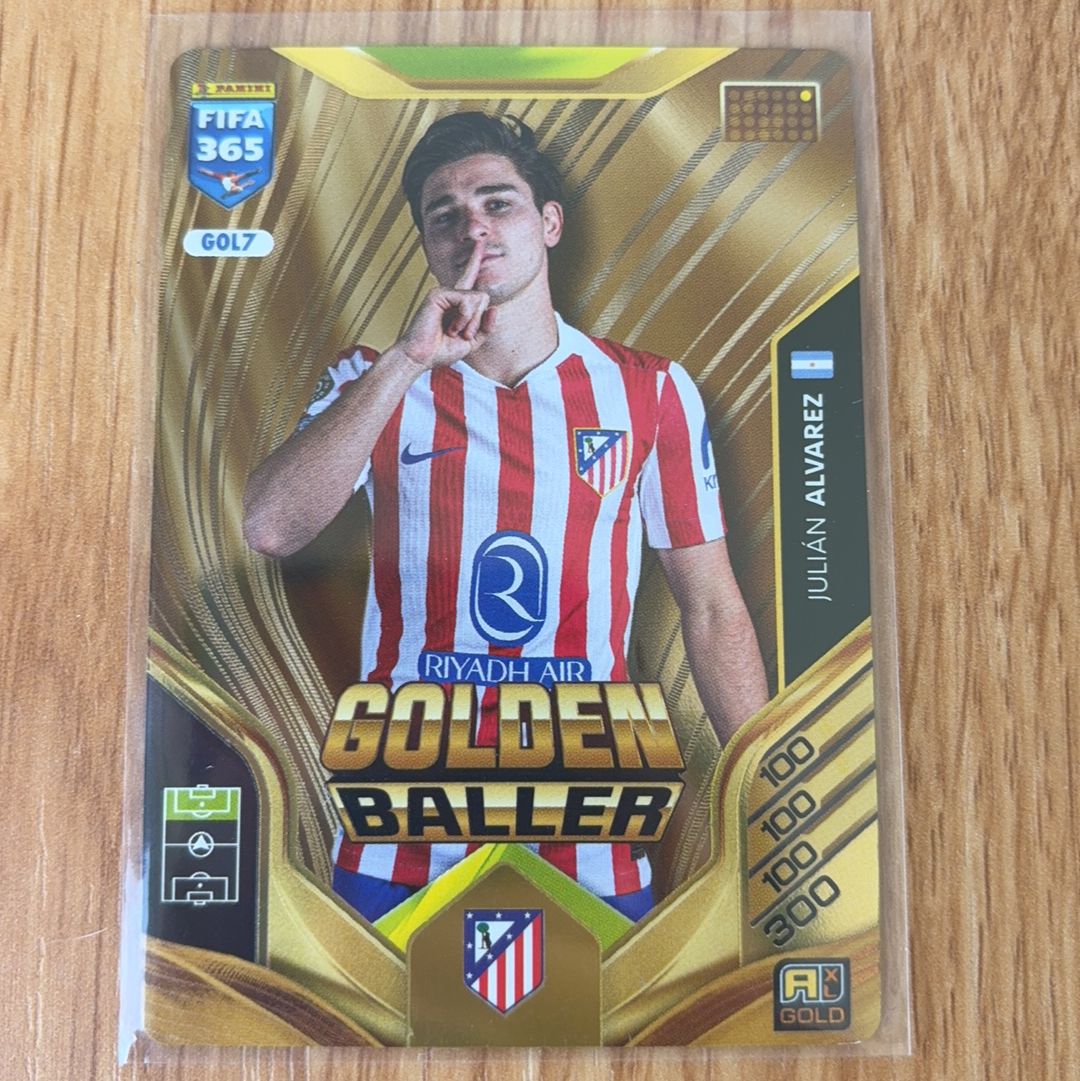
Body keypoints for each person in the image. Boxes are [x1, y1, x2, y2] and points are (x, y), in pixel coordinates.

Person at [244, 112, 768, 923]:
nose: (473, 228)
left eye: (498, 203)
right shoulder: (373, 380)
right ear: (428, 246)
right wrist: (408, 359)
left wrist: (763, 789)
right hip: (402, 830)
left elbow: (710, 606)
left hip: (586, 827)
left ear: (549, 223)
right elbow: (271, 527)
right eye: (444, 215)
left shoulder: (649, 391)